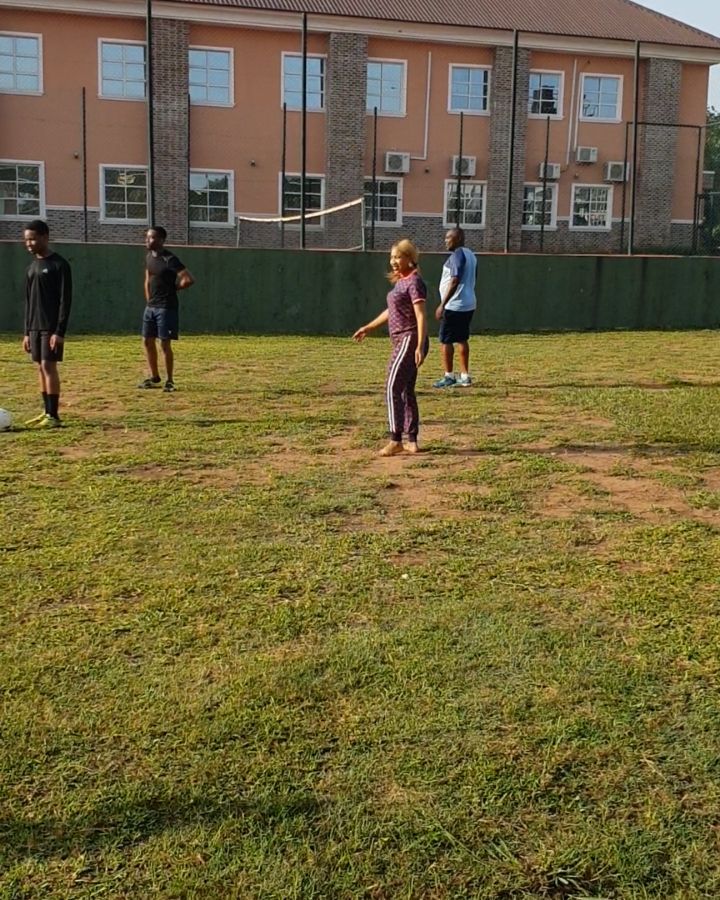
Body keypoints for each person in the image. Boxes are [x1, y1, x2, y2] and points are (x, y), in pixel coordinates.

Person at [353, 239, 428, 456]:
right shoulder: (401, 282)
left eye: (398, 257)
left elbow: (421, 315)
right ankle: (412, 440)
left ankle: (396, 439)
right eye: (392, 257)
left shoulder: (414, 282)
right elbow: (391, 311)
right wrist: (368, 327)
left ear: (410, 259)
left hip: (409, 338)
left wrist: (419, 345)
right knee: (405, 390)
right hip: (401, 339)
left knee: (391, 386)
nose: (394, 261)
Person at [22, 219, 72, 428]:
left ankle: (54, 415)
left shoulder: (59, 265)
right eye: (26, 240)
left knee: (48, 366)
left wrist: (58, 331)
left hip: (50, 327)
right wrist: (26, 332)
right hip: (34, 326)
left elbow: (65, 300)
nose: (29, 244)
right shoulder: (32, 267)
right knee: (39, 368)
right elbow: (28, 301)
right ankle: (45, 411)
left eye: (33, 239)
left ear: (45, 237)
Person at [139, 226, 194, 392]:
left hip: (166, 308)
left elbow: (188, 279)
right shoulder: (149, 257)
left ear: (161, 240)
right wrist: (149, 301)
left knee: (164, 344)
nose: (148, 241)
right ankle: (154, 377)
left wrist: (175, 288)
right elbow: (147, 280)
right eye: (147, 237)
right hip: (151, 308)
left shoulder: (170, 259)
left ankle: (170, 381)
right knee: (147, 341)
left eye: (152, 238)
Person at [433, 227, 477, 388]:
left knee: (446, 340)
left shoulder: (457, 255)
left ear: (457, 239)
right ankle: (465, 376)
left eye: (448, 238)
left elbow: (455, 279)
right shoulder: (471, 255)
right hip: (468, 303)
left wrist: (442, 304)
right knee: (462, 339)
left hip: (454, 305)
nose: (445, 241)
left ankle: (449, 376)